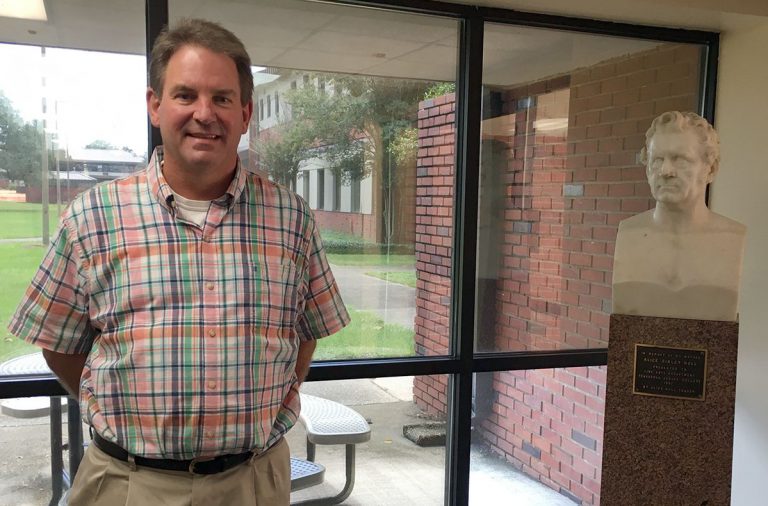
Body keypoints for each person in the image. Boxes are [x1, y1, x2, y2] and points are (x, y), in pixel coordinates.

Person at [8, 18, 349, 505]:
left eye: (222, 98)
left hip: (253, 481)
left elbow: (307, 329)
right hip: (127, 484)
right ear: (155, 105)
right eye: (186, 95)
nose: (204, 113)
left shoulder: (291, 217)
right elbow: (59, 345)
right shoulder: (91, 217)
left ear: (246, 112)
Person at [612, 110, 746, 322]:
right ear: (647, 169)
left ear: (710, 169)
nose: (665, 171)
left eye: (680, 160)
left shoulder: (731, 236)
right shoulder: (629, 233)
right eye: (657, 160)